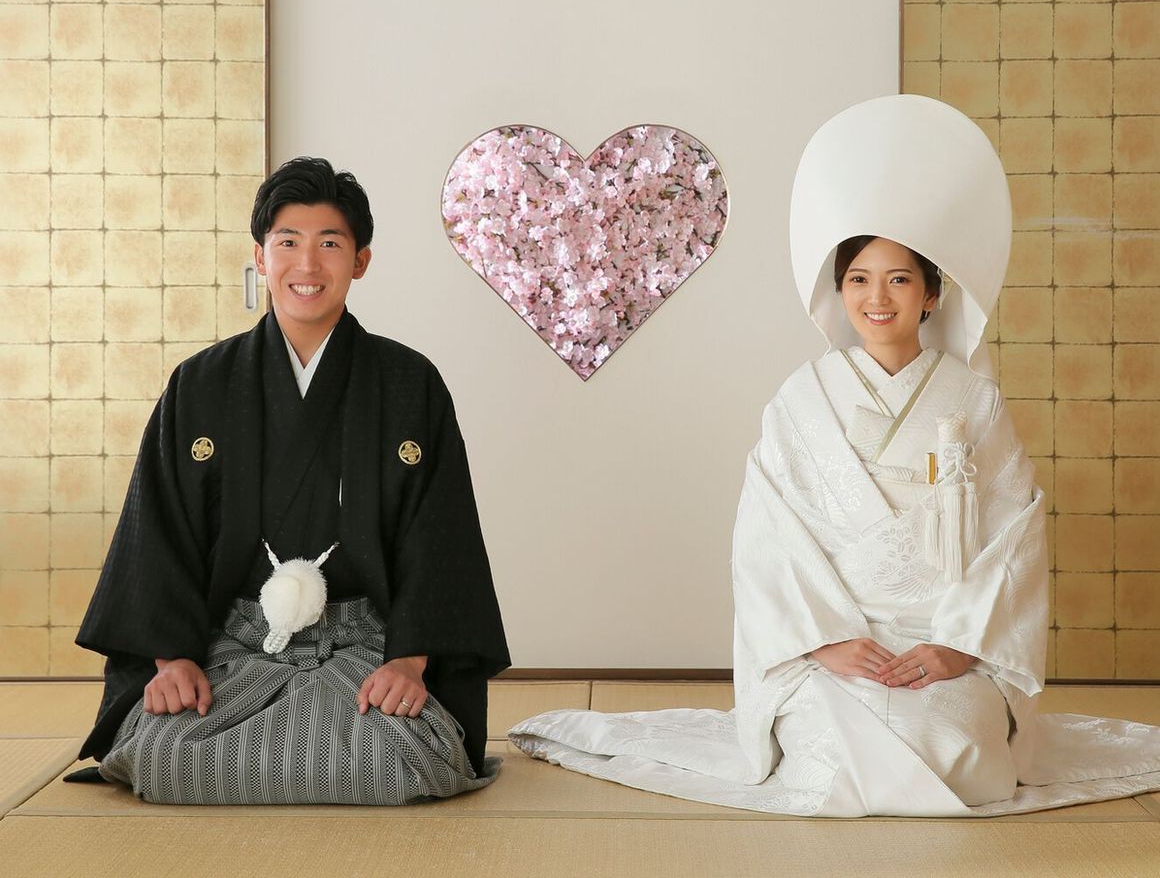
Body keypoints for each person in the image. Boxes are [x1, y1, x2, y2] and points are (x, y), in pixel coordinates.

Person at [510, 95, 1160, 817]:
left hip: (944, 645)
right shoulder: (802, 399)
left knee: (966, 759)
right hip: (834, 642)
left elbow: (1014, 536)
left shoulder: (976, 401)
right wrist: (822, 643)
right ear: (840, 291)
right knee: (832, 761)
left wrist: (959, 649)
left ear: (932, 294)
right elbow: (768, 538)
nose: (877, 297)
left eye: (899, 279)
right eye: (858, 279)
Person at [73, 156, 510, 805]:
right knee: (160, 756)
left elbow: (440, 533)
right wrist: (171, 659)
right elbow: (158, 529)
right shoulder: (201, 383)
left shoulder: (408, 383)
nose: (307, 264)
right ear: (260, 255)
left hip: (366, 644)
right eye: (288, 243)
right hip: (233, 643)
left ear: (360, 260)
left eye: (330, 244)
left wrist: (410, 660)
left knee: (407, 755)